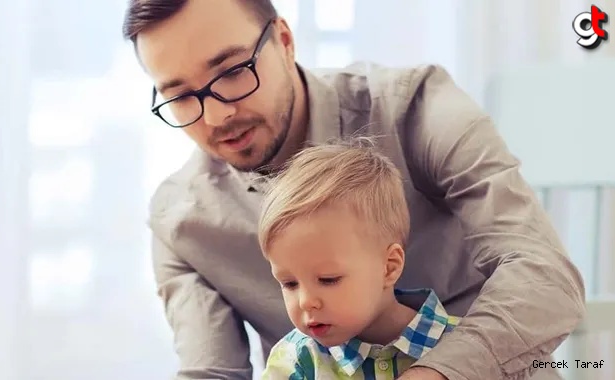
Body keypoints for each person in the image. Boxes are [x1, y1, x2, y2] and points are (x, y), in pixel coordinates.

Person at [121, 0, 586, 379]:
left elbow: (546, 277)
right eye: (181, 96)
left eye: (231, 72)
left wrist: (437, 374)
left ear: (284, 41)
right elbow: (212, 372)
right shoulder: (181, 222)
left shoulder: (415, 107)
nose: (217, 116)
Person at [257, 139, 461, 379]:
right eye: (290, 284)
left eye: (328, 279)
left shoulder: (462, 345)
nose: (305, 302)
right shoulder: (296, 359)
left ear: (389, 266)